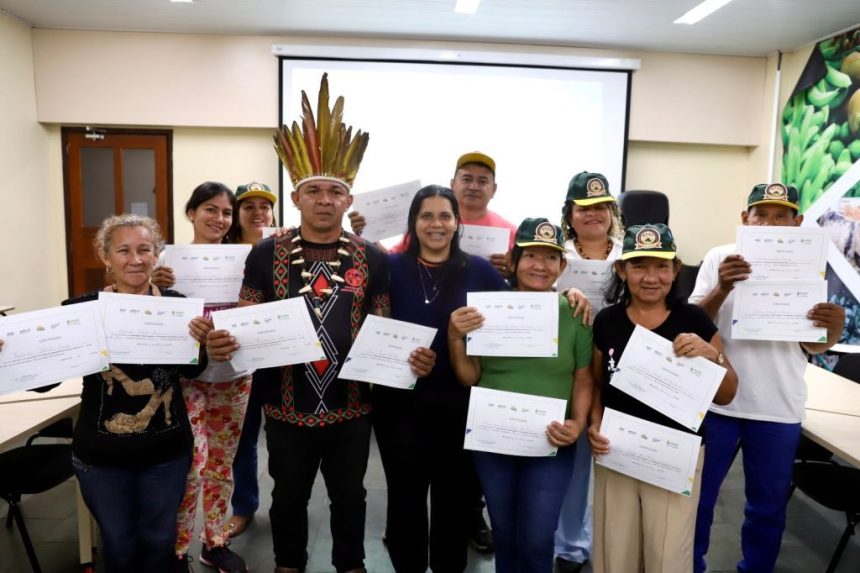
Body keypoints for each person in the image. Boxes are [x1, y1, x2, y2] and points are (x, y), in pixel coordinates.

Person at [206, 73, 434, 573]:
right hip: (285, 410)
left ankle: (350, 564)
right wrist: (226, 341)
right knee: (287, 497)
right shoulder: (265, 254)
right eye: (314, 191)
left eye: (335, 191)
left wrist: (406, 358)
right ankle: (288, 564)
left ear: (349, 200)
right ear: (297, 198)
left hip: (352, 409)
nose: (325, 200)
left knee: (350, 498)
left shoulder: (373, 256)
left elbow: (383, 322)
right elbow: (245, 319)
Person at [690, 183, 845, 573]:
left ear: (798, 222)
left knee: (767, 507)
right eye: (761, 215)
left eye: (781, 216)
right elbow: (692, 327)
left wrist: (833, 328)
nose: (769, 223)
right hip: (717, 402)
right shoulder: (720, 257)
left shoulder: (810, 262)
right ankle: (689, 565)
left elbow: (813, 345)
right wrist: (723, 287)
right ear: (745, 219)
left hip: (778, 404)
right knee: (699, 499)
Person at [61, 214, 208, 572]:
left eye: (145, 249)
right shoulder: (81, 310)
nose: (135, 259)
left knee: (160, 541)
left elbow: (193, 370)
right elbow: (45, 379)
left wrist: (199, 342)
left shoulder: (177, 306)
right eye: (123, 250)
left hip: (165, 453)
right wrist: (12, 353)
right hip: (101, 457)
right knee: (119, 544)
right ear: (105, 256)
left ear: (157, 255)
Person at [588, 223, 738, 573]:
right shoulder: (608, 321)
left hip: (675, 454)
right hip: (618, 448)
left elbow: (728, 394)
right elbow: (597, 384)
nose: (650, 277)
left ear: (676, 269)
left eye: (661, 266)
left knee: (667, 554)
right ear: (621, 269)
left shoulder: (694, 320)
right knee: (616, 551)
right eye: (639, 265)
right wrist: (594, 424)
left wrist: (711, 355)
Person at [448, 217, 595, 573]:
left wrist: (577, 424)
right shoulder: (489, 310)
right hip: (493, 440)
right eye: (530, 255)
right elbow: (469, 376)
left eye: (550, 257)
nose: (540, 265)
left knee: (538, 538)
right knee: (504, 532)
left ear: (562, 266)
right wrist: (454, 336)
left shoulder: (575, 313)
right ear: (513, 262)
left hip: (551, 439)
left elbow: (583, 378)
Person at [375, 184, 508, 572]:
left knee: (454, 501)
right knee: (405, 500)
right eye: (427, 216)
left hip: (460, 407)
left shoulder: (479, 271)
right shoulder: (389, 268)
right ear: (413, 222)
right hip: (399, 407)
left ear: (456, 222)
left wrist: (569, 294)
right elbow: (370, 327)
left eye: (445, 216)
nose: (436, 224)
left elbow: (518, 312)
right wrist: (398, 355)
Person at [159, 182, 251, 573]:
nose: (219, 218)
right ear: (191, 213)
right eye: (210, 209)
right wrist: (156, 287)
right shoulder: (167, 260)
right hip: (188, 377)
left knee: (222, 465)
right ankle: (177, 549)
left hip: (235, 374)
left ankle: (214, 542)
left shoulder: (245, 259)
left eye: (227, 212)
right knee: (193, 465)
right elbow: (146, 313)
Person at [555, 171, 624, 573]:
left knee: (616, 458)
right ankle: (570, 547)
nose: (593, 214)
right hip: (572, 369)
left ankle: (615, 547)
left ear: (612, 211)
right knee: (575, 462)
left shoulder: (629, 254)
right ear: (569, 214)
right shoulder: (556, 253)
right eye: (583, 208)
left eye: (601, 206)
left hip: (622, 371)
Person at [350, 151, 516, 278]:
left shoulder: (511, 232)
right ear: (452, 184)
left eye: (482, 181)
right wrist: (369, 235)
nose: (473, 187)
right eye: (466, 179)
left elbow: (522, 279)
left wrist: (513, 271)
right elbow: (392, 262)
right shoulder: (425, 227)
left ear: (494, 189)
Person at [225, 181, 279, 538]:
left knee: (283, 438)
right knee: (243, 438)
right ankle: (244, 506)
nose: (258, 213)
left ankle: (288, 501)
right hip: (237, 357)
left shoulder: (287, 247)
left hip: (278, 355)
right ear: (237, 214)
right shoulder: (220, 252)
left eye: (264, 206)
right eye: (248, 206)